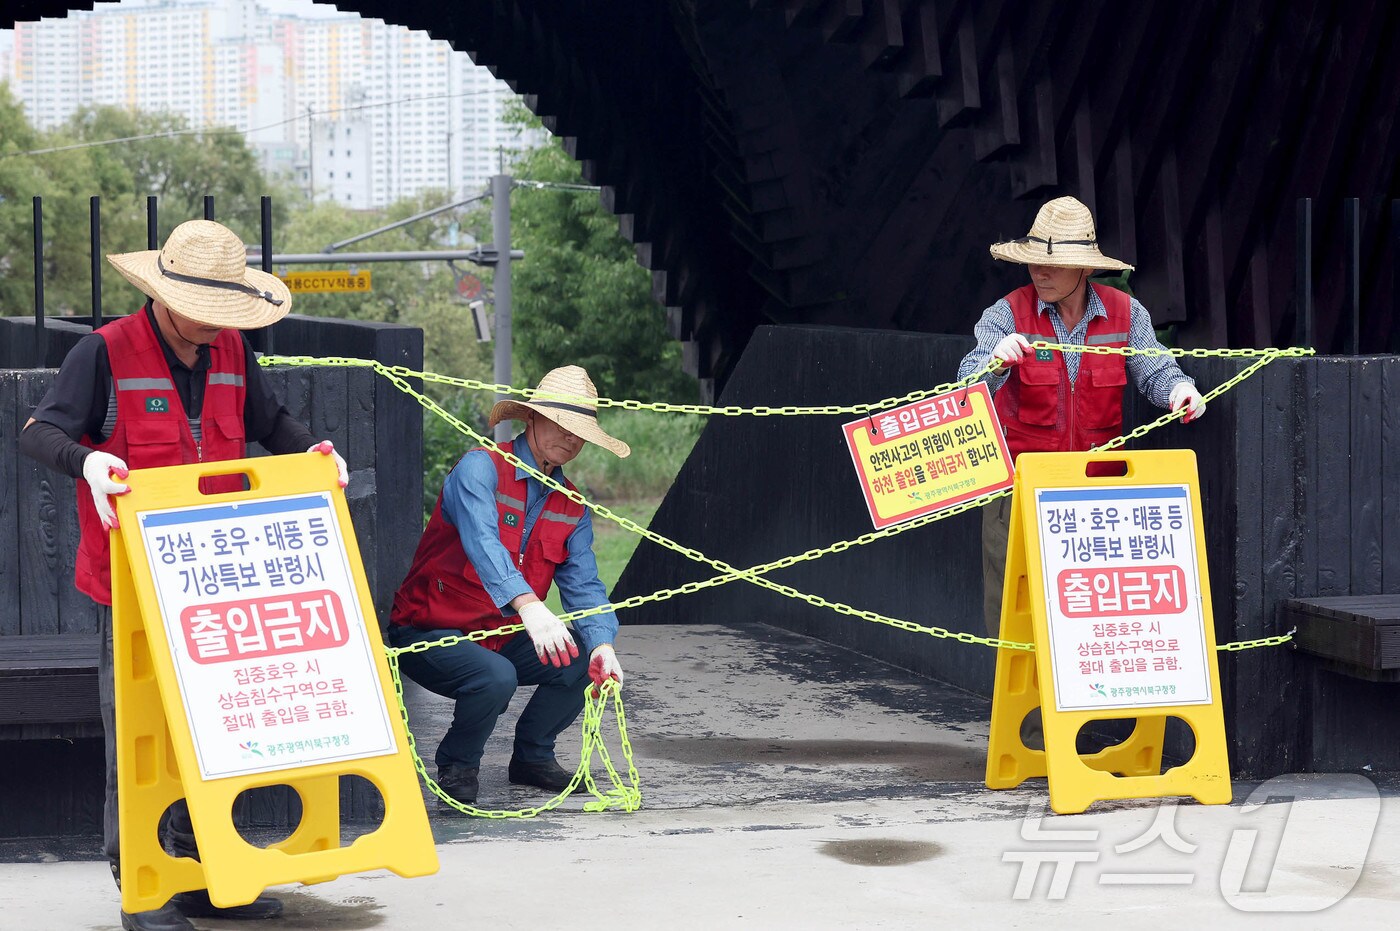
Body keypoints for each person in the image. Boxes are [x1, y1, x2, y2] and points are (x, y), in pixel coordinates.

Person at [19, 219, 348, 931]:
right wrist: (89, 462)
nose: (220, 325)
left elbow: (273, 422)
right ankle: (144, 882)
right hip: (133, 585)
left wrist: (315, 452)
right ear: (164, 296)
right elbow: (39, 432)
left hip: (219, 580)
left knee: (219, 729)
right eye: (210, 310)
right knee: (141, 734)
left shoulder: (230, 349)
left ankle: (208, 872)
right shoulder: (102, 352)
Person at [958, 196, 1207, 639]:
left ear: (1085, 268)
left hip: (1097, 499)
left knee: (1091, 615)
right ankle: (1024, 709)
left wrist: (1180, 390)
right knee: (1015, 615)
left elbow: (1155, 369)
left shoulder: (1127, 314)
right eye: (1035, 262)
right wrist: (993, 363)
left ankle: (1090, 708)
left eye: (1055, 264)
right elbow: (965, 385)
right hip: (1018, 493)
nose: (1041, 272)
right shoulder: (1004, 315)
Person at [389, 365, 627, 808]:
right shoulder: (480, 467)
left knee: (578, 659)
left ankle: (533, 758)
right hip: (428, 630)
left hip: (500, 634)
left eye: (581, 433)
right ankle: (457, 766)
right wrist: (530, 607)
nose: (571, 439)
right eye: (561, 424)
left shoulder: (571, 505)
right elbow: (483, 544)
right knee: (497, 676)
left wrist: (602, 645)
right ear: (531, 418)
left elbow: (585, 583)